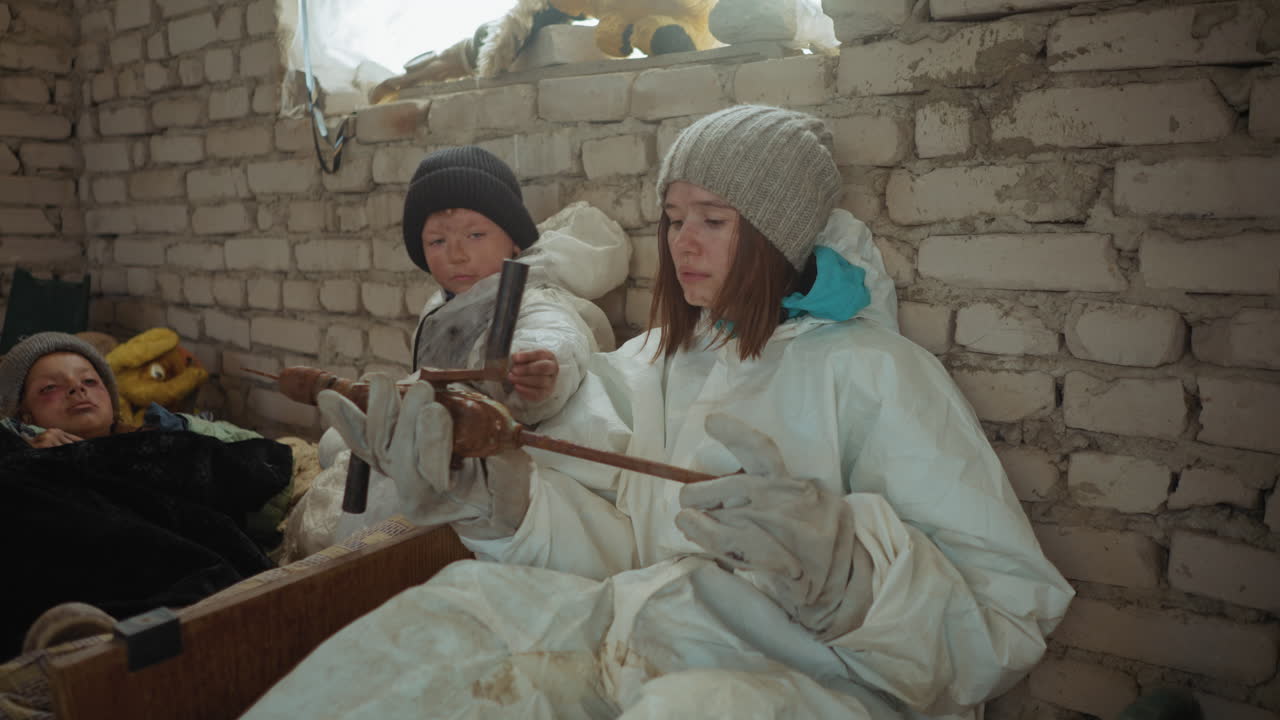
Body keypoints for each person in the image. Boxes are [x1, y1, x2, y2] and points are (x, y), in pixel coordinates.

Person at [246, 105, 1073, 719]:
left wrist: (849, 579)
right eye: (675, 219)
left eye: (714, 221)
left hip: (808, 681)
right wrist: (503, 505)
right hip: (633, 635)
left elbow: (1006, 614)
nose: (684, 243)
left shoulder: (876, 373)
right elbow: (618, 551)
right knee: (441, 619)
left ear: (778, 237)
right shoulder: (651, 364)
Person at [290, 145, 631, 559]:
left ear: (514, 243)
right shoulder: (443, 305)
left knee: (371, 513)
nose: (456, 253)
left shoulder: (532, 298)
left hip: (501, 462)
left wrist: (542, 368)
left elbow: (556, 336)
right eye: (437, 240)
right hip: (441, 438)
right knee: (334, 442)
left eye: (475, 234)